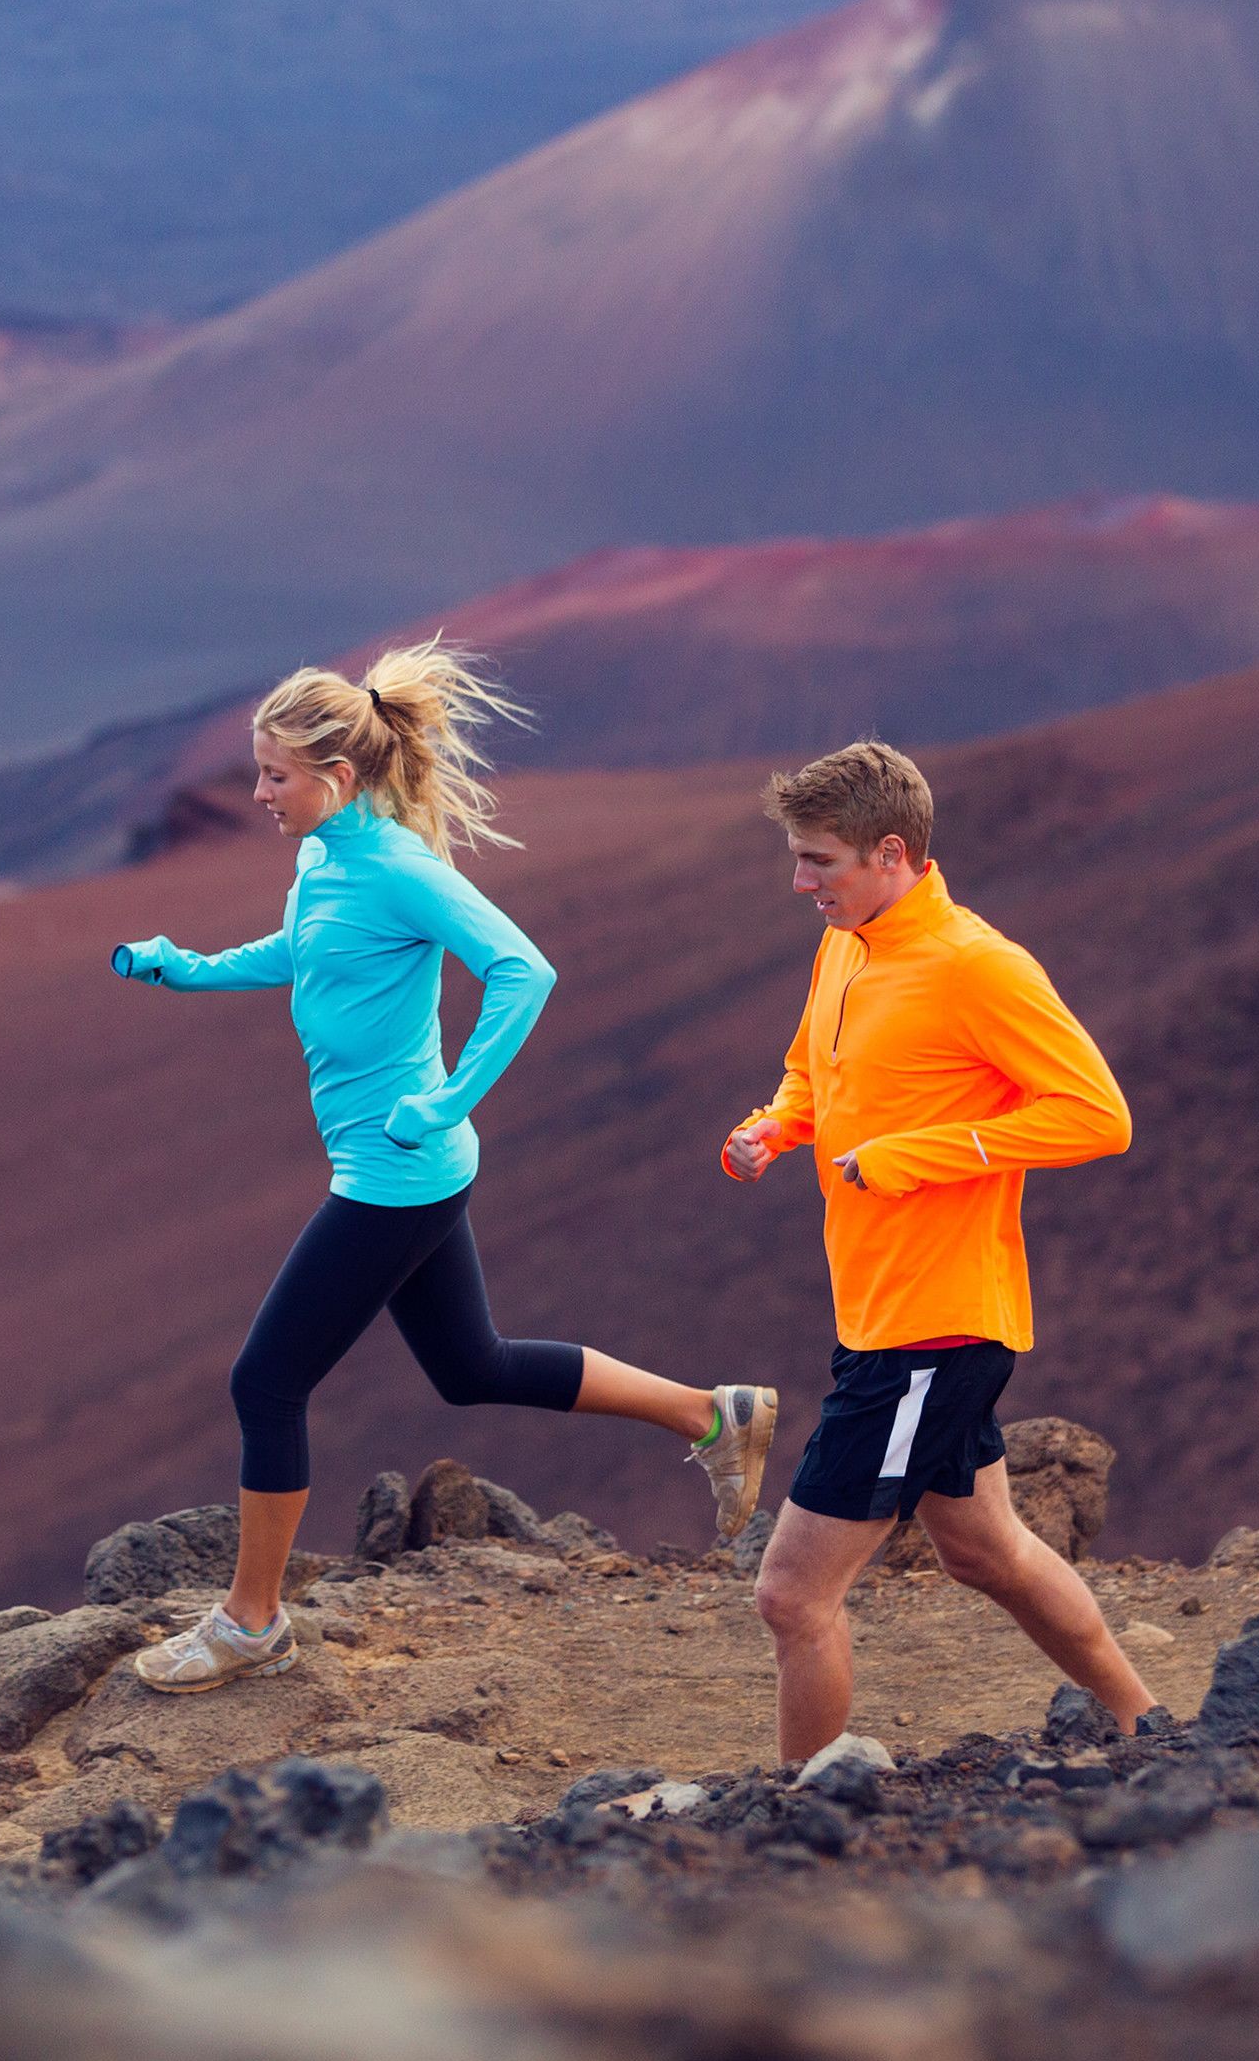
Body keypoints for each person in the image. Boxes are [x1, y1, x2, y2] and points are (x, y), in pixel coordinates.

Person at [111, 641, 777, 1693]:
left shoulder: (399, 867)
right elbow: (307, 952)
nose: (260, 793)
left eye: (276, 776)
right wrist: (189, 970)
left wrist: (450, 1097)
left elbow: (524, 970)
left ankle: (251, 1623)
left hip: (395, 1173)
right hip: (405, 1165)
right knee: (473, 1366)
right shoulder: (325, 858)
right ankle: (711, 1414)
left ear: (337, 775)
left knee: (266, 1382)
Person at [720, 739, 1153, 1761]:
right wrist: (774, 1128)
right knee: (986, 1551)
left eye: (819, 861)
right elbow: (813, 1071)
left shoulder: (976, 965)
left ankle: (803, 1807)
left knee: (792, 1595)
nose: (801, 883)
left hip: (932, 1330)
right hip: (881, 1311)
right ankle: (1151, 1727)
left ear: (891, 853)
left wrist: (916, 1155)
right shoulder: (847, 943)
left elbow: (1099, 1115)